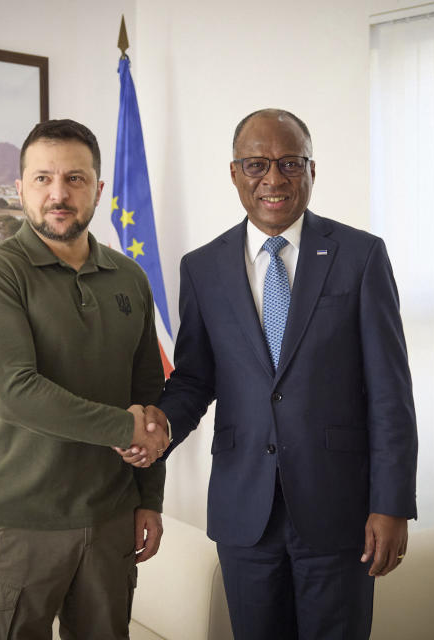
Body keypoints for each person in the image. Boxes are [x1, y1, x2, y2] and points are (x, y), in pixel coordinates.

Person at [118, 109, 418, 639]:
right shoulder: (202, 267)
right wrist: (162, 424)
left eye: (289, 164)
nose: (273, 180)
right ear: (235, 173)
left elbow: (391, 393)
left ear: (311, 170)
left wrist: (391, 504)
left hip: (338, 508)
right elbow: (194, 378)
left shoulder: (360, 256)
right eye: (256, 164)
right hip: (244, 510)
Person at [0, 118, 170, 639]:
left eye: (75, 179)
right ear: (20, 189)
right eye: (43, 179)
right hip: (18, 522)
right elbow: (14, 393)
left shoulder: (130, 277)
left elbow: (148, 395)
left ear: (98, 190)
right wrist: (125, 429)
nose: (59, 193)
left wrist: (150, 498)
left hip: (111, 519)